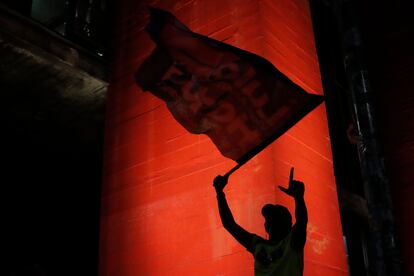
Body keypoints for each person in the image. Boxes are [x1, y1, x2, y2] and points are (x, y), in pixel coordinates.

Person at [213, 168, 307, 275]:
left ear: (287, 224)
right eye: (269, 219)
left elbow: (302, 220)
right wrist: (219, 193)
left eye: (276, 219)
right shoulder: (258, 244)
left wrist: (299, 198)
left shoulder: (293, 242)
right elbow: (229, 224)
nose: (270, 223)